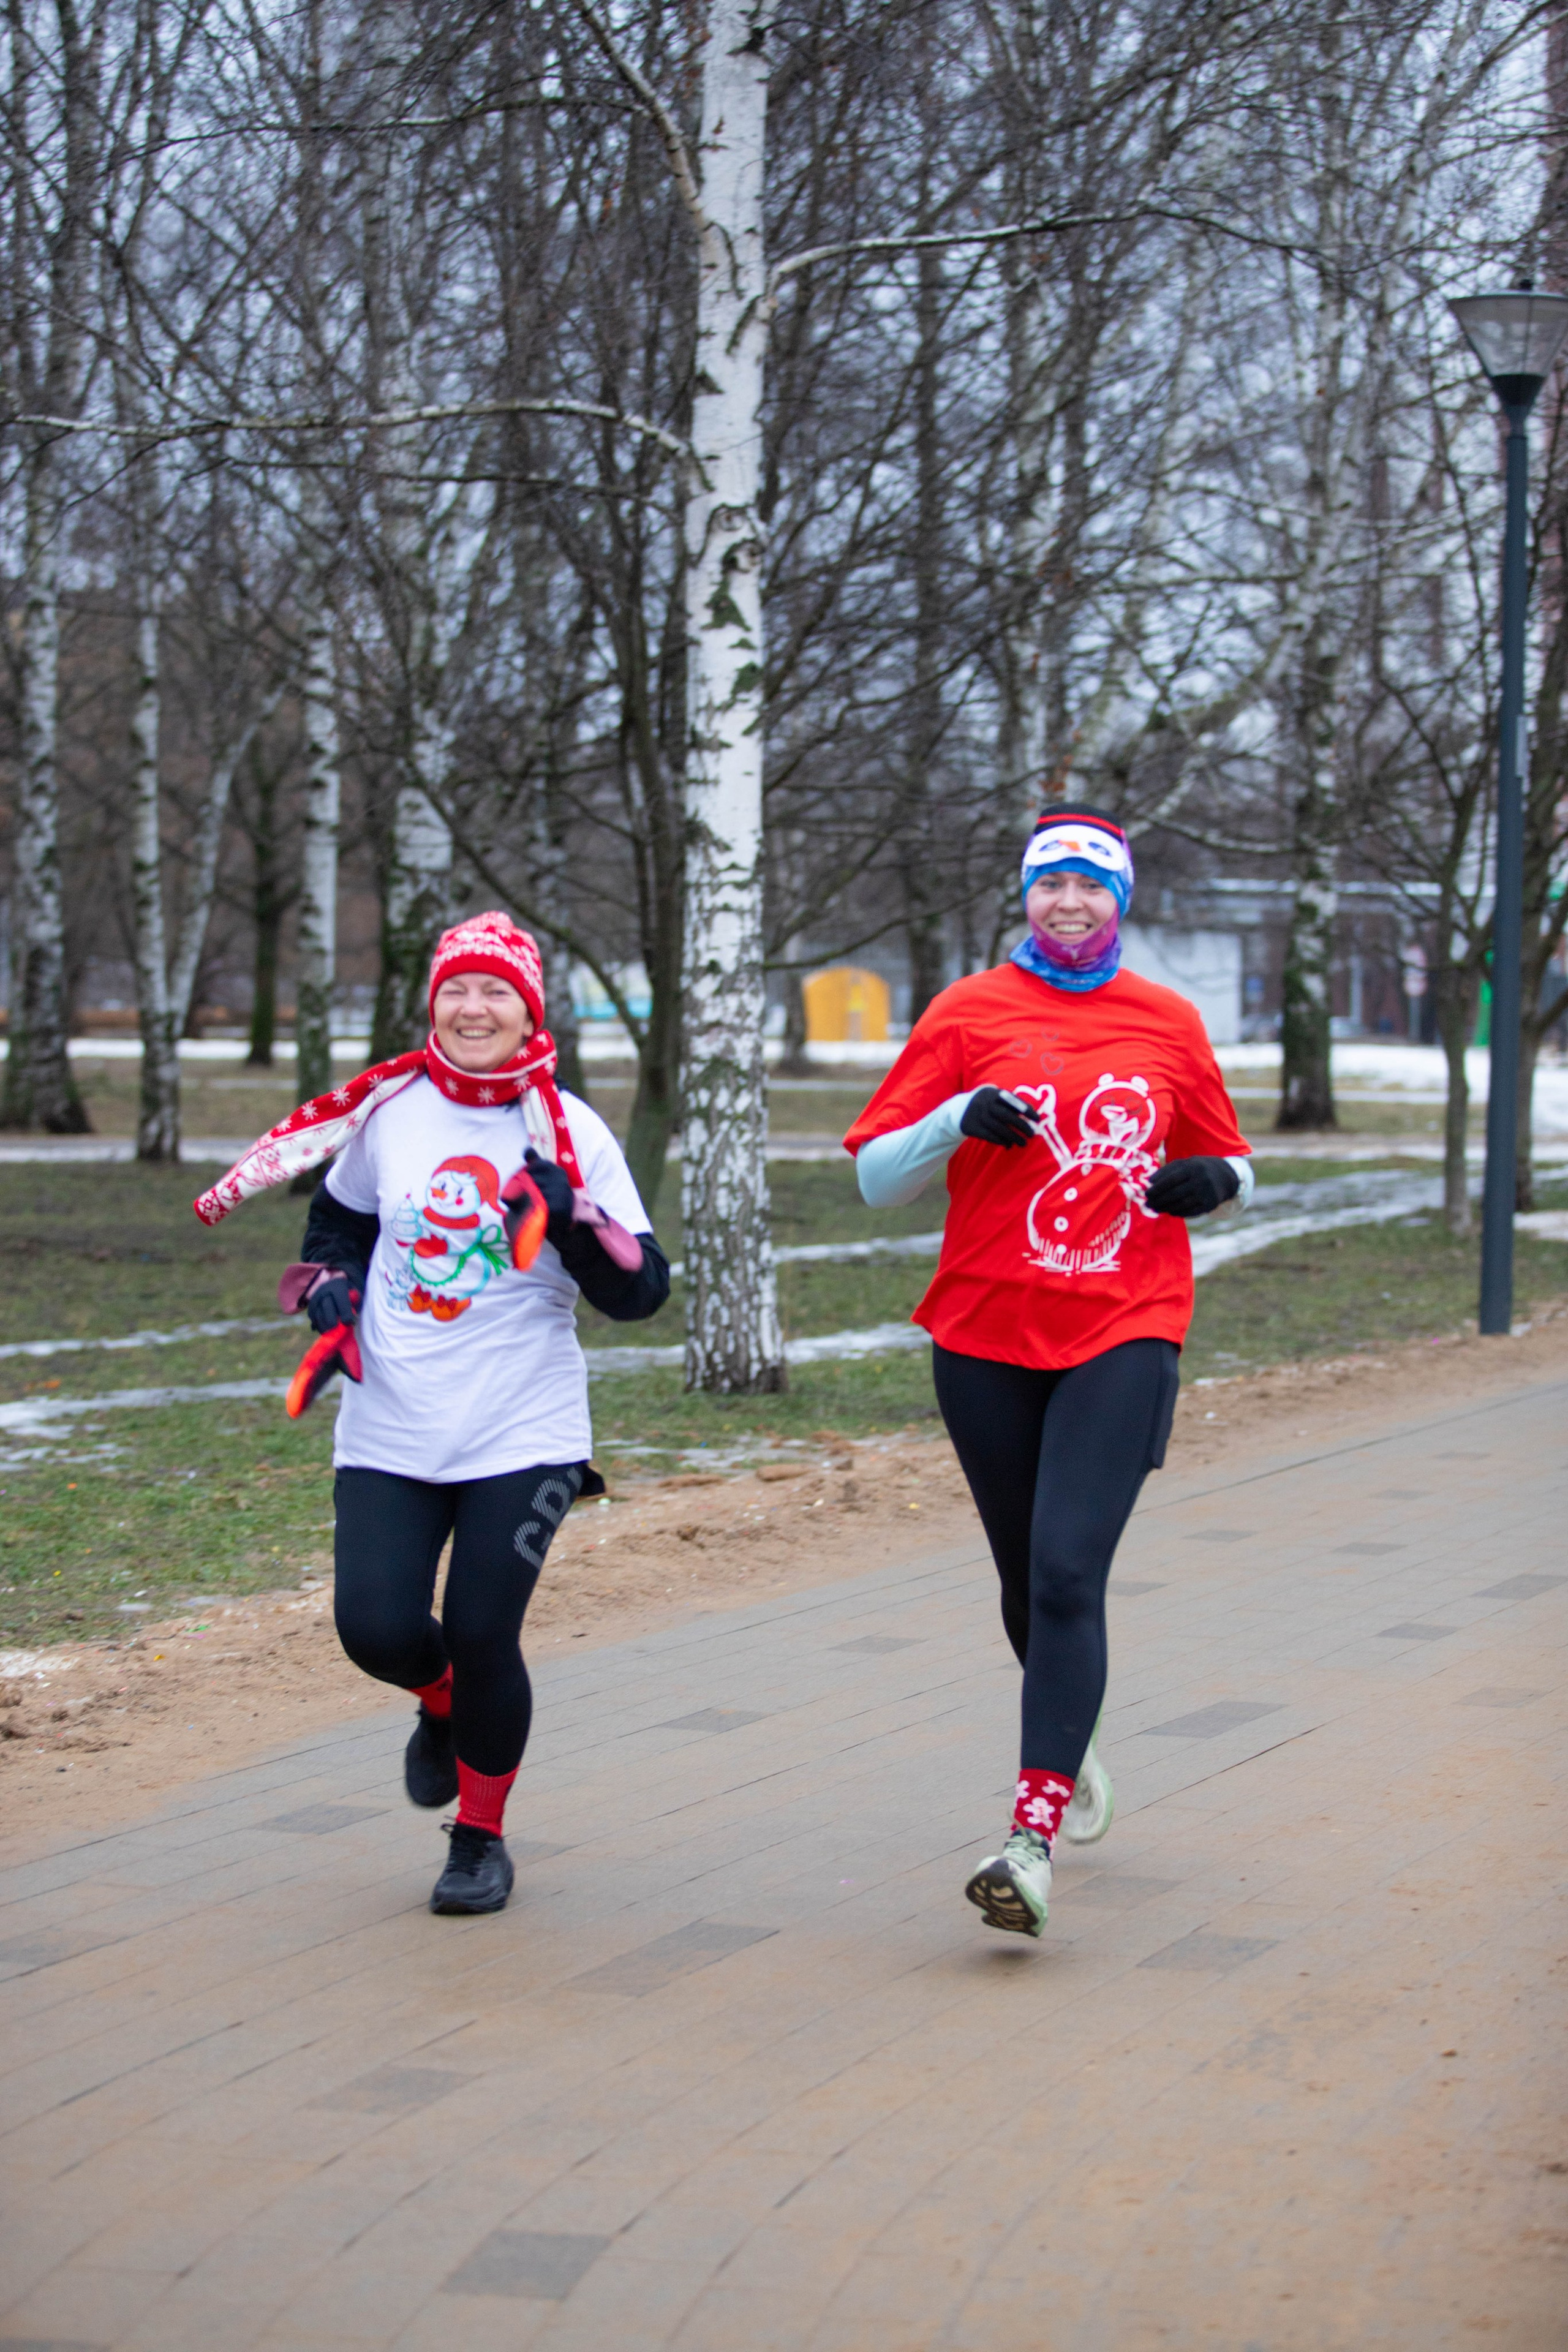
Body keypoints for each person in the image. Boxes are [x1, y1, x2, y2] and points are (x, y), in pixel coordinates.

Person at [194, 911, 668, 1915]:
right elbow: (341, 1223)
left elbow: (641, 1293)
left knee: (484, 1629)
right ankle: (441, 1704)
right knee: (373, 1628)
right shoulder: (390, 1114)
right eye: (458, 988)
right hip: (392, 1419)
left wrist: (574, 1219)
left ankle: (481, 1839)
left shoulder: (569, 1132)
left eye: (497, 991)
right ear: (433, 1003)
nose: (473, 1007)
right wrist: (330, 1286)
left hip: (522, 1427)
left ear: (529, 1011)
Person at [843, 807, 1251, 1939]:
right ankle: (1069, 1747)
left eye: (1091, 885)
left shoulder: (1166, 1021)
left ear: (1121, 900)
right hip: (981, 1332)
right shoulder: (966, 1012)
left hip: (1127, 1321)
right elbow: (880, 1181)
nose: (1070, 902)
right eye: (1050, 883)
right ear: (1025, 896)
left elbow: (1231, 1156)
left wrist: (1213, 1186)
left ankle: (1028, 1837)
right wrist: (952, 1120)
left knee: (1070, 1571)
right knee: (1028, 1587)